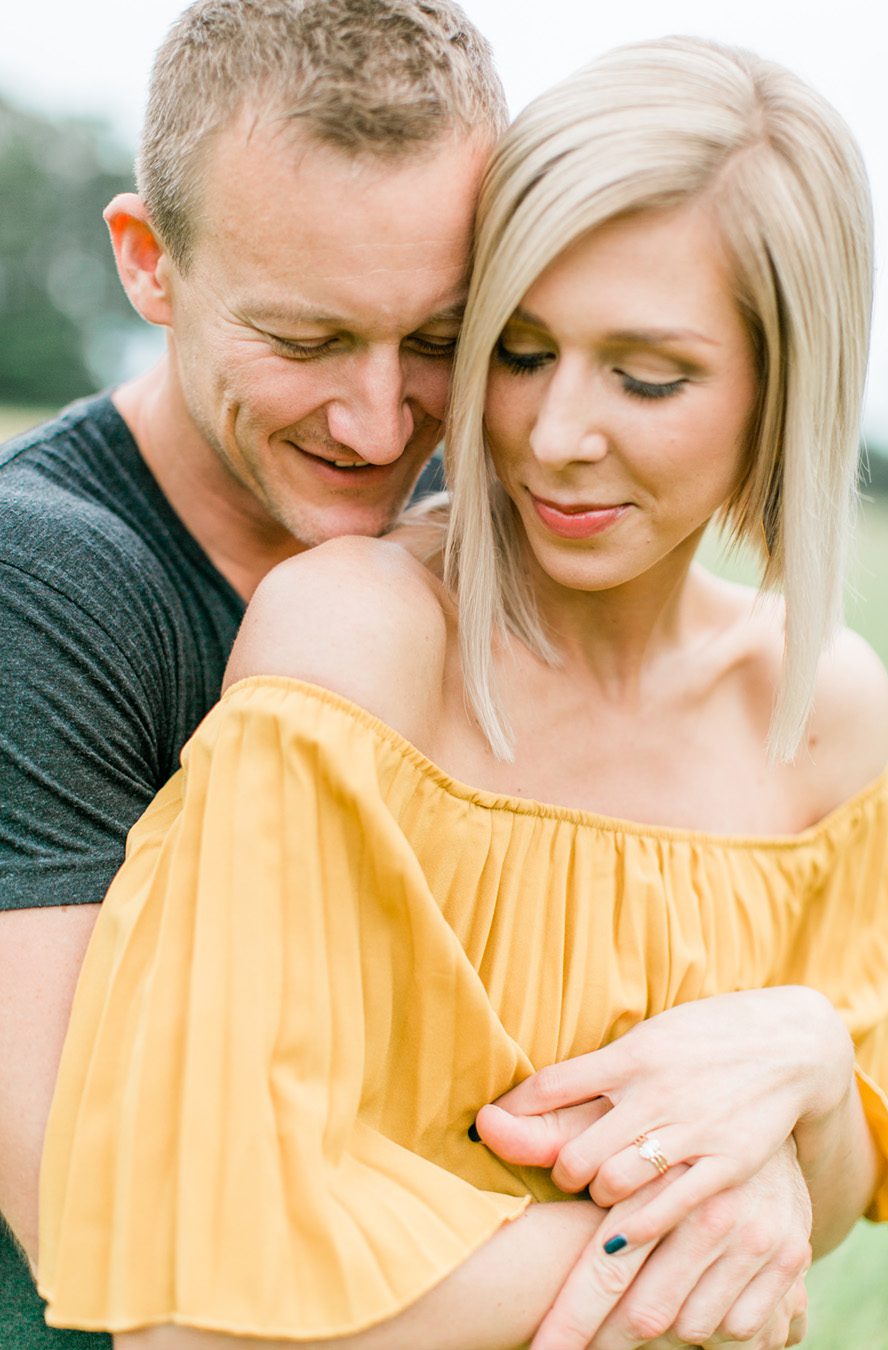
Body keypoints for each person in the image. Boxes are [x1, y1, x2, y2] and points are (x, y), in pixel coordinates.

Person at [36, 33, 888, 1350]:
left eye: (649, 375)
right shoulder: (346, 627)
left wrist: (806, 1065)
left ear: (785, 390)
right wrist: (680, 1224)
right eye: (518, 350)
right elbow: (167, 1289)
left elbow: (819, 1213)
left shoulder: (822, 703)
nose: (551, 436)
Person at [0, 2, 505, 1346]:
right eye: (305, 339)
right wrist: (627, 1247)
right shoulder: (40, 582)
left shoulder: (502, 533)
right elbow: (100, 1231)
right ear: (148, 263)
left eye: (441, 337)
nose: (381, 419)